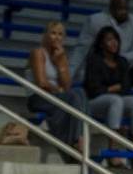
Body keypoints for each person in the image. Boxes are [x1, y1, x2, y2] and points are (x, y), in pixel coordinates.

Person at [73, 0, 133, 121]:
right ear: (111, 9)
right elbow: (81, 49)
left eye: (125, 9)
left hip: (123, 69)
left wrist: (116, 58)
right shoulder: (95, 20)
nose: (123, 12)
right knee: (96, 66)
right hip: (102, 68)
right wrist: (69, 74)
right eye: (119, 9)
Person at [83, 26, 133, 169]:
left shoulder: (122, 62)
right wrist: (112, 88)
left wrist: (111, 89)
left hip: (115, 102)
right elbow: (93, 89)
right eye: (109, 40)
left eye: (116, 40)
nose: (114, 43)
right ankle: (113, 152)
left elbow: (126, 87)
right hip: (94, 102)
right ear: (101, 43)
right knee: (116, 100)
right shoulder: (94, 60)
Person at [25, 21, 87, 154]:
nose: (57, 37)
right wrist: (58, 89)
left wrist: (60, 63)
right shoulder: (38, 53)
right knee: (73, 96)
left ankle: (79, 138)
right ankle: (77, 138)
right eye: (53, 33)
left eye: (60, 34)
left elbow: (67, 85)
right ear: (45, 35)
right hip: (38, 97)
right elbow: (41, 83)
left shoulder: (61, 55)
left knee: (79, 92)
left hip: (55, 97)